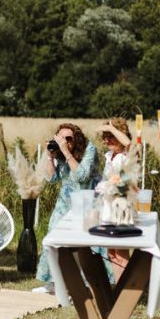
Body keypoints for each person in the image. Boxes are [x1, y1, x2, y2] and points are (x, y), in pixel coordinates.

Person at [34, 123, 98, 294]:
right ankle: (54, 283)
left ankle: (79, 285)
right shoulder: (60, 153)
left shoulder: (89, 149)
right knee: (53, 242)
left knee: (80, 246)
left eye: (68, 138)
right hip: (64, 205)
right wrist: (50, 156)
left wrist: (67, 152)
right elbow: (51, 178)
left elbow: (82, 176)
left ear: (76, 138)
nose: (65, 142)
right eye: (61, 138)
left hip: (85, 204)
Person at [96, 118, 133, 280]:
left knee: (121, 252)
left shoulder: (126, 155)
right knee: (111, 252)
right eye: (104, 136)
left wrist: (112, 128)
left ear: (120, 135)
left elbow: (130, 144)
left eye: (110, 136)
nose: (106, 139)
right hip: (107, 208)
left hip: (121, 208)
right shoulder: (109, 156)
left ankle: (126, 290)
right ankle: (119, 288)